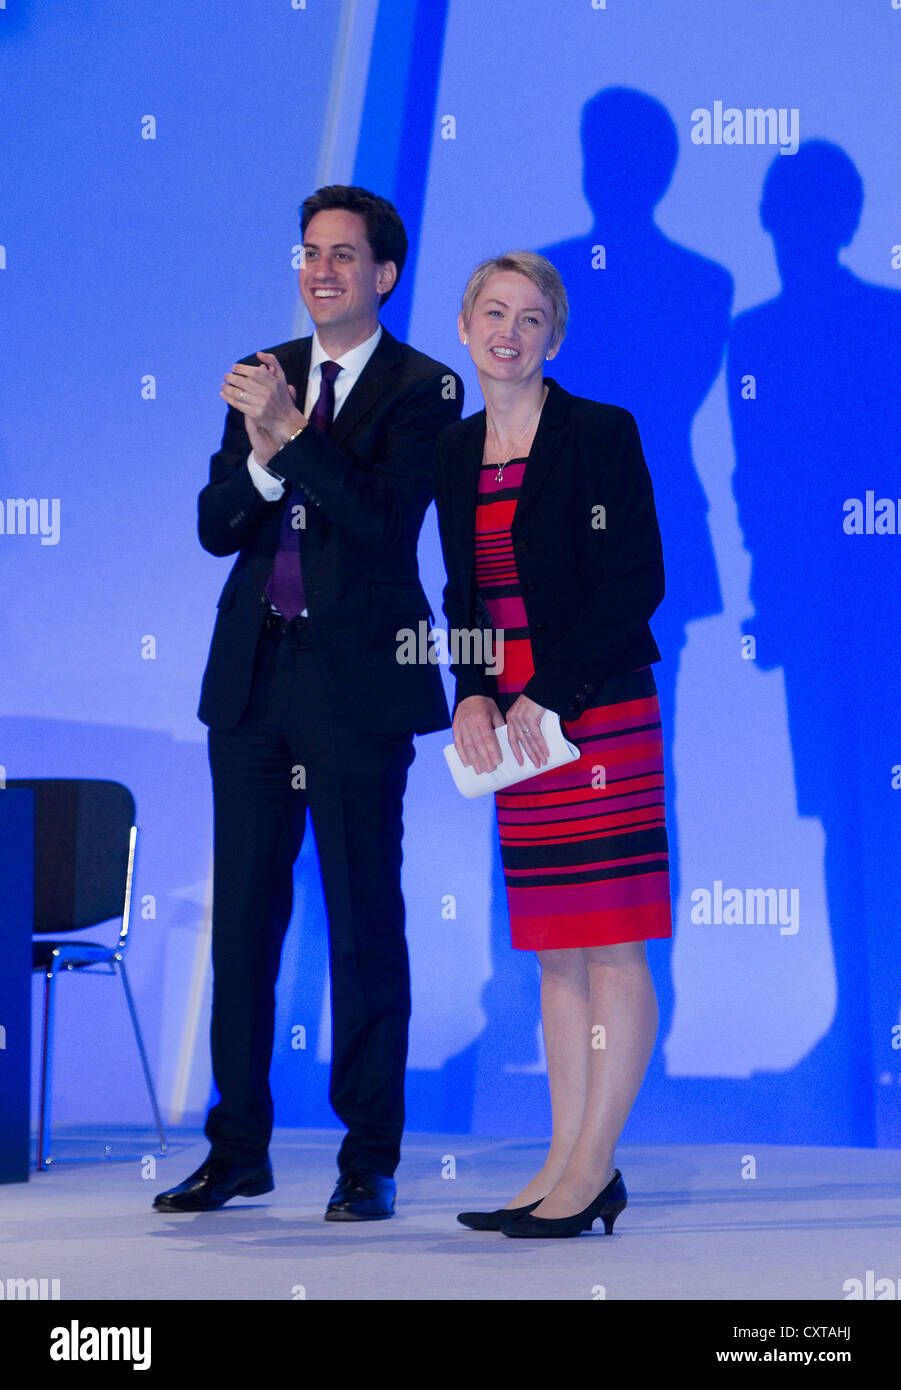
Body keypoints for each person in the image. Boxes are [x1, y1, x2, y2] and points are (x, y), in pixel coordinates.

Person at [154, 185, 463, 1219]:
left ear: (384, 274)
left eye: (344, 255)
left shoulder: (426, 389)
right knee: (243, 919)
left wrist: (292, 435)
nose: (321, 269)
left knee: (364, 918)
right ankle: (237, 1142)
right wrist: (259, 444)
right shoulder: (265, 371)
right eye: (309, 252)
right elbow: (214, 524)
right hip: (252, 681)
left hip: (357, 688)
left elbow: (383, 522)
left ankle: (367, 1153)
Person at [434, 252, 671, 1237]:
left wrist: (547, 692)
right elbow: (465, 596)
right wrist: (475, 694)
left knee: (609, 942)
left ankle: (592, 1166)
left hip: (594, 712)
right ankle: (564, 1161)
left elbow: (637, 581)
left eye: (532, 317)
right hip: (520, 734)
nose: (510, 330)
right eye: (494, 311)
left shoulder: (599, 432)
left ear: (554, 339)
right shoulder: (454, 453)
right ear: (464, 327)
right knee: (554, 952)